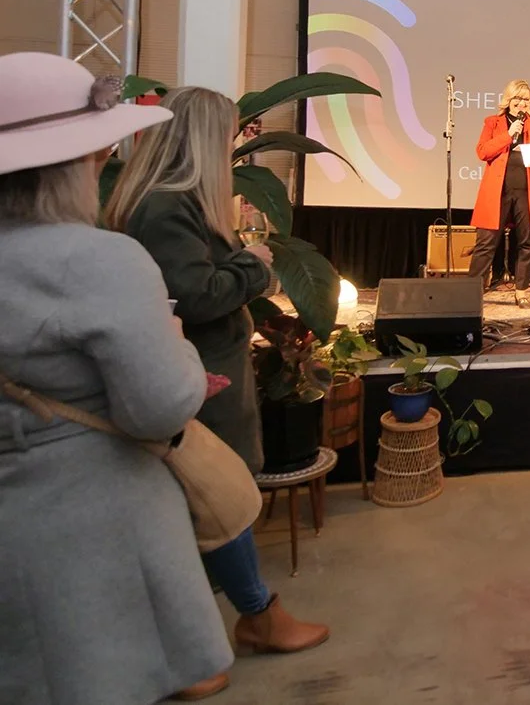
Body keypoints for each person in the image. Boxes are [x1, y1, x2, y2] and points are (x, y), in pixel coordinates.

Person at [0, 53, 232, 704]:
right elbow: (159, 408)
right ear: (79, 161)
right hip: (92, 540)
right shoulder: (100, 261)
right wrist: (183, 353)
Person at [106, 86, 329, 671]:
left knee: (214, 504)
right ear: (204, 140)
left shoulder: (170, 203)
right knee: (216, 500)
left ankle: (233, 621)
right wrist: (253, 268)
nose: (233, 144)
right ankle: (247, 619)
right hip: (199, 383)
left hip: (206, 375)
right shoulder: (166, 207)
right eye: (227, 133)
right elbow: (198, 295)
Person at [467, 79, 530, 306]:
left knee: (527, 242)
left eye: (526, 99)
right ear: (508, 99)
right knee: (486, 243)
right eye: (517, 98)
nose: (522, 103)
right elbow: (482, 151)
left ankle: (521, 291)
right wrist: (508, 135)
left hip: (527, 190)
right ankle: (471, 292)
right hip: (498, 190)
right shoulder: (493, 123)